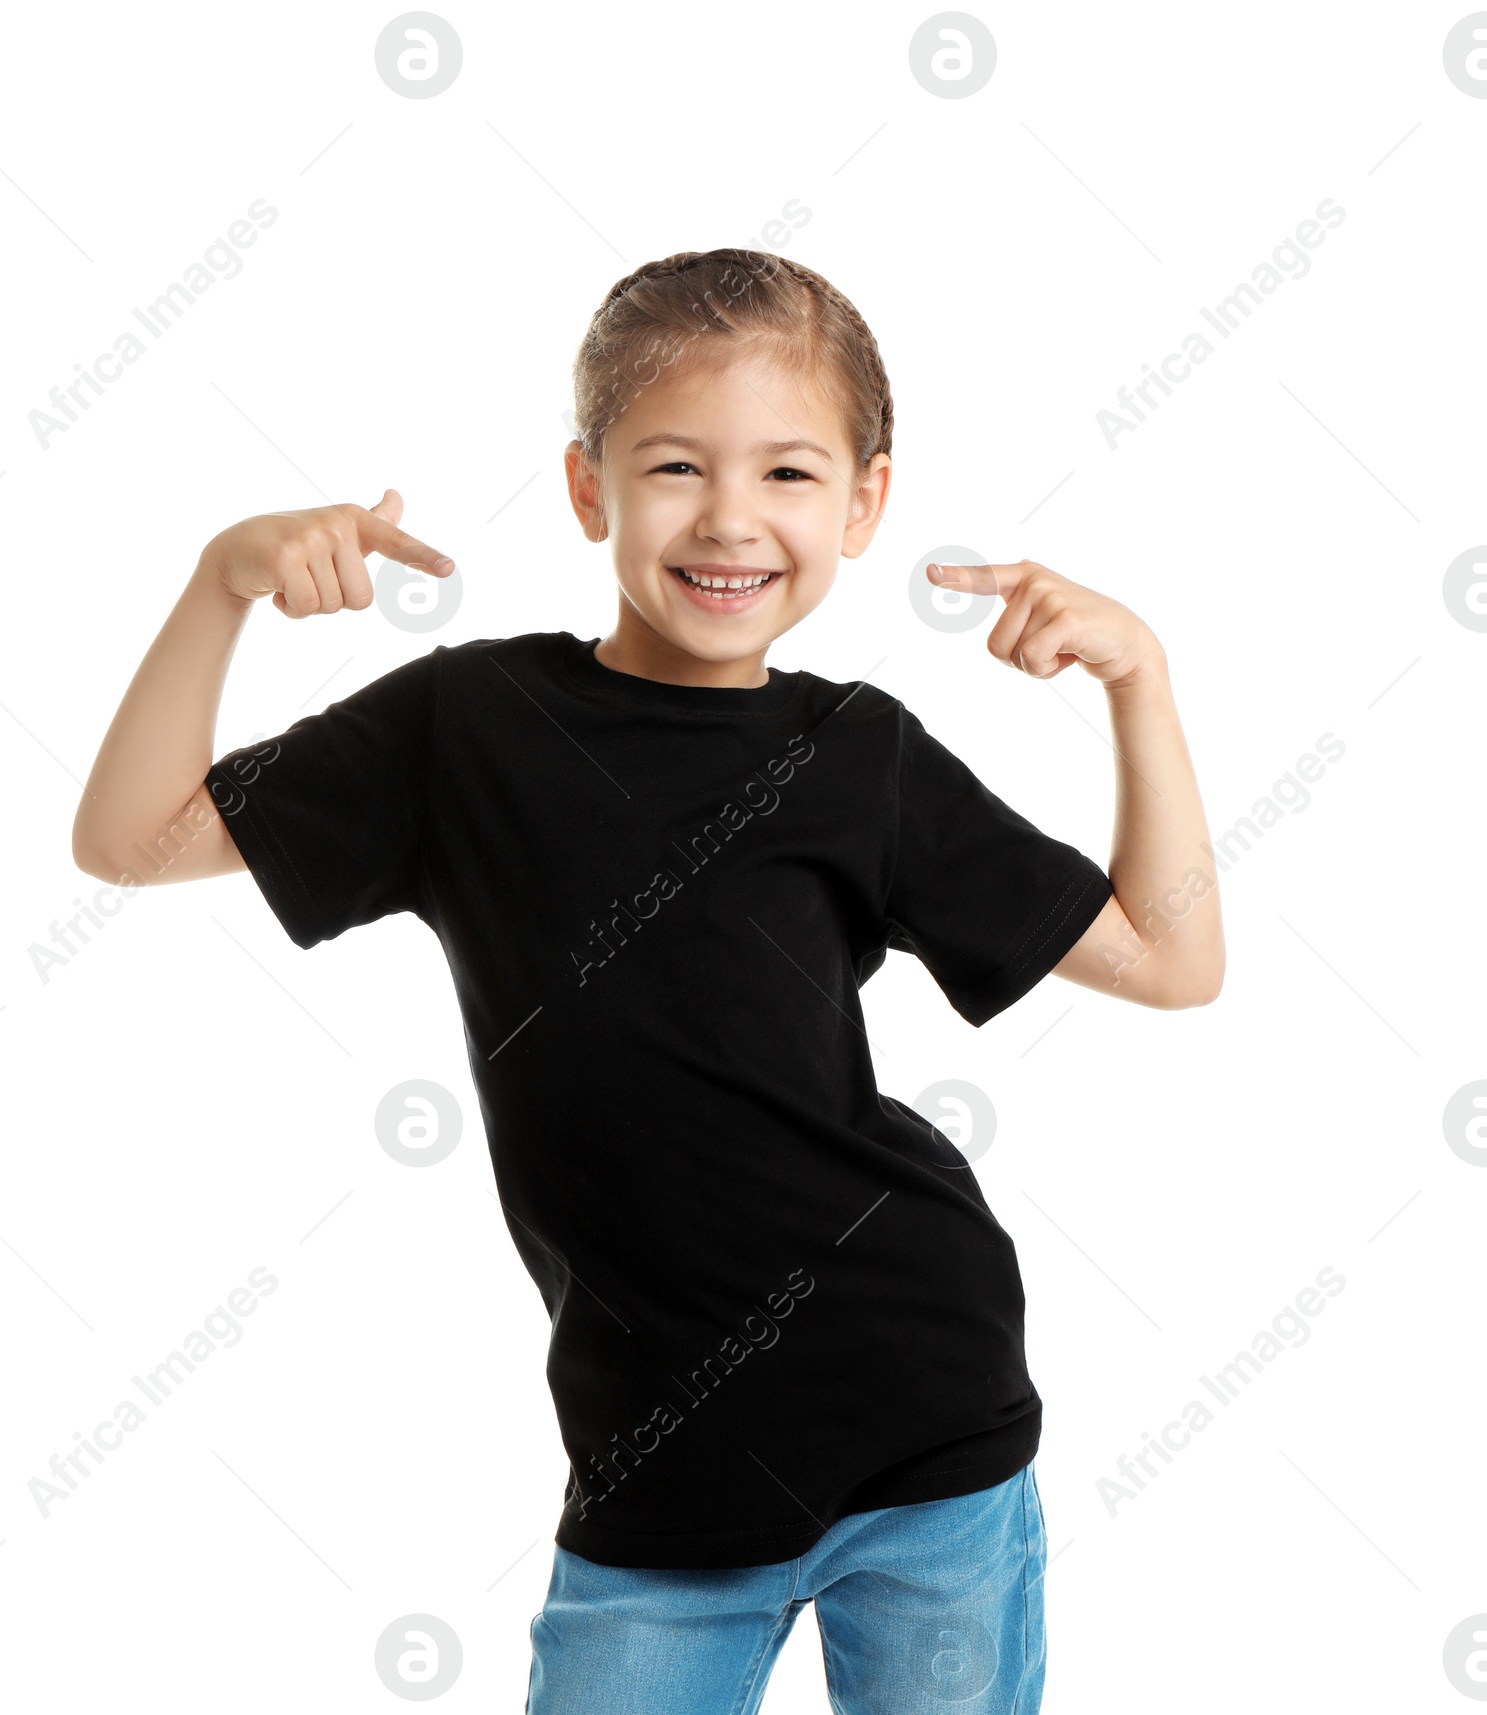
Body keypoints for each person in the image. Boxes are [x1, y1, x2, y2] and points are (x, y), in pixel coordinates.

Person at [73, 248, 1224, 1714]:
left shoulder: (856, 755)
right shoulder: (468, 727)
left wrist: (1144, 683)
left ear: (865, 502)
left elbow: (1173, 958)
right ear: (587, 488)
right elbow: (127, 841)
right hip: (656, 1490)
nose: (731, 520)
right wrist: (223, 580)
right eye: (676, 465)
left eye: (791, 475)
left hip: (925, 1439)